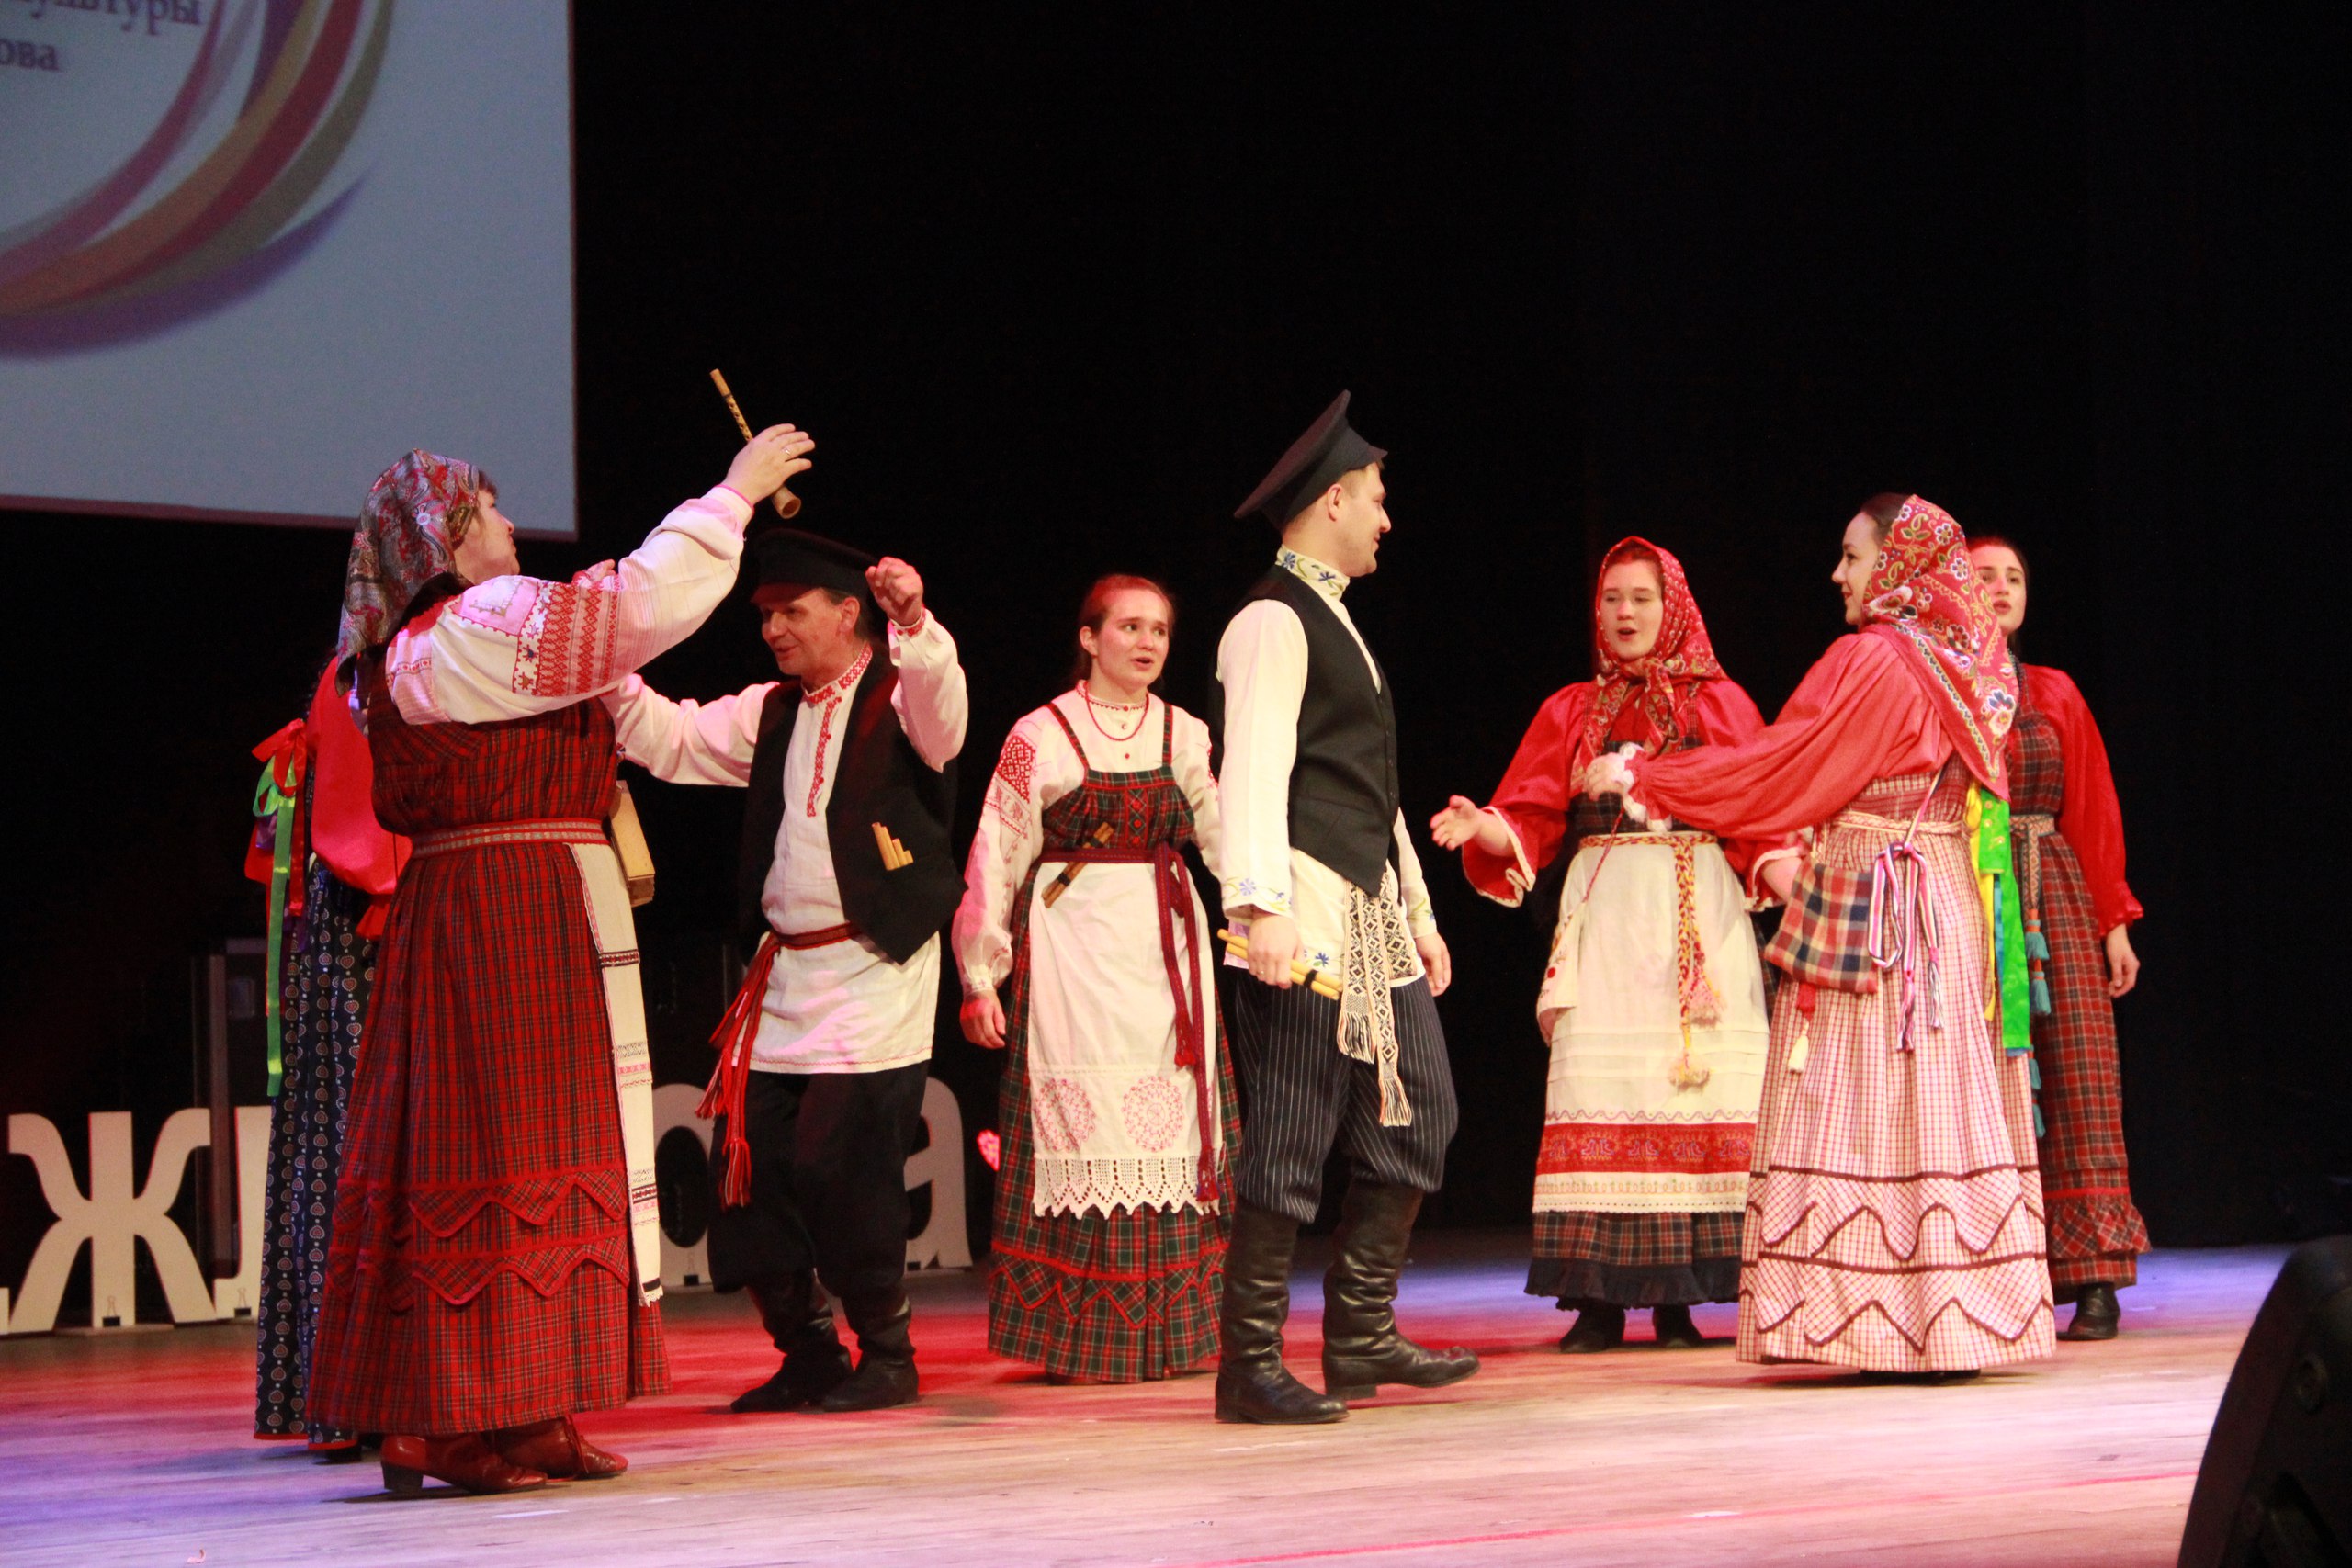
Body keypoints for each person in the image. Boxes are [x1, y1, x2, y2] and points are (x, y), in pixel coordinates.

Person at [307, 428, 812, 1494]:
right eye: (490, 510)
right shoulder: (469, 629)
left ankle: (531, 1407)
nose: (509, 525)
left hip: (523, 910)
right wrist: (729, 497)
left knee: (547, 1151)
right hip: (501, 914)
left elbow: (664, 728)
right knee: (494, 1157)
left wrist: (815, 712)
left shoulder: (484, 646)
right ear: (447, 539)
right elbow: (634, 605)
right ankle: (442, 1423)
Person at [1588, 493, 2053, 1376]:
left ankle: (1880, 1319)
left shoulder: (1876, 658)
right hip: (1945, 895)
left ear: (1898, 562)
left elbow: (1783, 769)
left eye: (1853, 555)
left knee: (1865, 1087)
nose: (1839, 573)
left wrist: (1654, 777)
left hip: (1881, 894)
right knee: (1933, 1090)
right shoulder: (1969, 659)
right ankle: (1950, 1311)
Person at [605, 525, 967, 1415]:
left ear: (847, 613)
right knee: (749, 1169)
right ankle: (807, 1353)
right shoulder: (770, 712)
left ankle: (888, 1355)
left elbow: (944, 702)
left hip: (875, 975)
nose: (771, 629)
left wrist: (915, 622)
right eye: (765, 614)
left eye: (790, 612)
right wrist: (601, 663)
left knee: (843, 1168)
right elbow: (669, 738)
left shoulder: (903, 695)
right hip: (784, 977)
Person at [1430, 538, 1785, 1352]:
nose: (1625, 613)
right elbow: (1528, 816)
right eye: (1612, 599)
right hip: (1609, 927)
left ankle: (1678, 1302)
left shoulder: (1720, 703)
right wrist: (1485, 826)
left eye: (1641, 598)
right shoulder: (1573, 710)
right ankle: (1597, 1301)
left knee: (1691, 1093)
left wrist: (1786, 871)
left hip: (1698, 926)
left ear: (1673, 608)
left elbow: (1757, 805)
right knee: (1604, 1084)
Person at [1210, 391, 1477, 1425]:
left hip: (1367, 914)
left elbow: (1373, 788)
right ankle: (1249, 1364)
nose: (1385, 518)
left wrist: (1419, 911)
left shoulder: (1334, 619)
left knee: (1421, 1112)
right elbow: (1253, 768)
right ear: (1331, 501)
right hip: (1303, 910)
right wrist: (1257, 908)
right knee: (1288, 1132)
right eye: (1375, 497)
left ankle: (1361, 1331)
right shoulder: (1272, 618)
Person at [953, 576, 1238, 1382]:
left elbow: (1224, 838)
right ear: (1089, 638)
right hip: (1073, 951)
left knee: (1172, 1126)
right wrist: (980, 974)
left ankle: (1182, 1334)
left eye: (1159, 630)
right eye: (1129, 627)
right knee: (1083, 1125)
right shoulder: (1039, 733)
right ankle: (1079, 1338)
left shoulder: (1184, 732)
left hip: (1164, 950)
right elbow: (997, 850)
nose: (1147, 643)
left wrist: (1264, 916)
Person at [1970, 536, 2148, 1340]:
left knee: (2076, 1067)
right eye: (1983, 575)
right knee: (1990, 1076)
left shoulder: (2053, 690)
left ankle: (2094, 1276)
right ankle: (2004, 1267)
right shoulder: (1937, 688)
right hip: (1972, 890)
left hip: (2051, 887)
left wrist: (2114, 922)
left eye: (2014, 577)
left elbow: (2095, 807)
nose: (2001, 588)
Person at [247, 655, 408, 1452]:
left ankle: (352, 1395)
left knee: (336, 1146)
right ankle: (378, 1394)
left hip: (345, 922)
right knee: (364, 1148)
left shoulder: (368, 663)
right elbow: (368, 836)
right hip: (370, 921)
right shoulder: (377, 668)